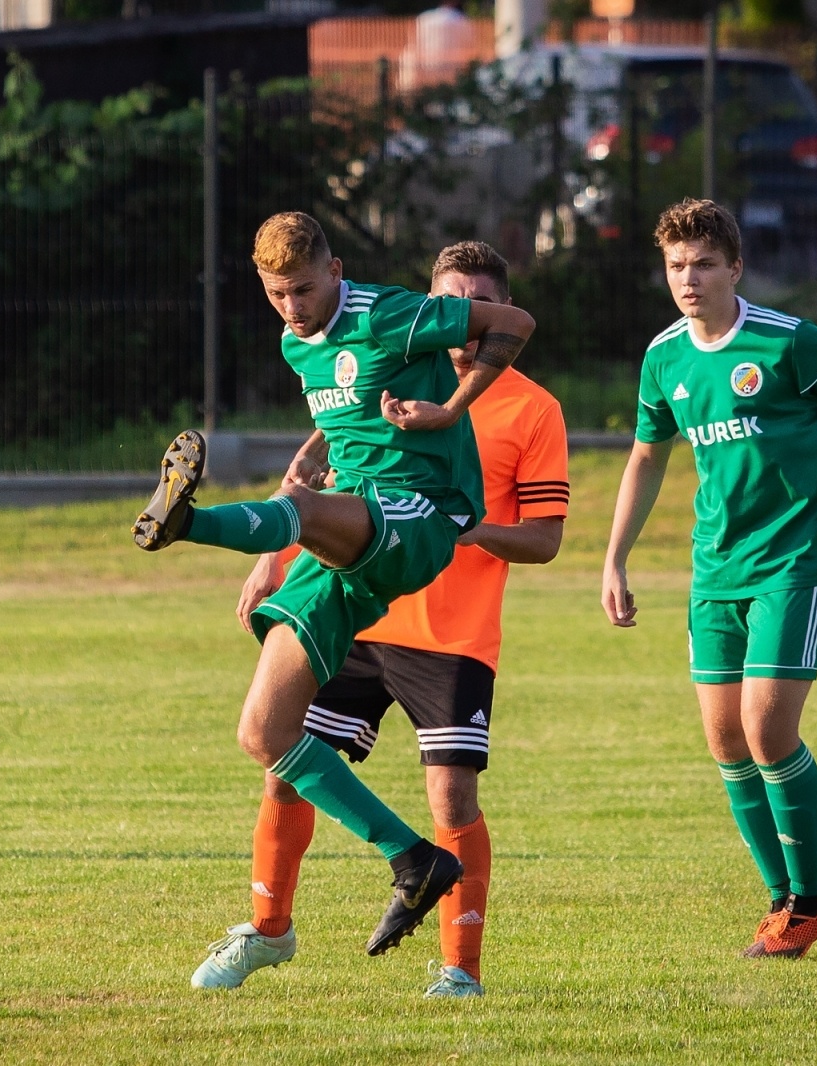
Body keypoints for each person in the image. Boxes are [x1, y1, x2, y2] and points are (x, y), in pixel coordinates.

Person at [132, 213, 536, 957]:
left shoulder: (386, 312)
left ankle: (186, 525)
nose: (293, 307)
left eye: (305, 289)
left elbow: (513, 320)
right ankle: (412, 860)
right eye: (277, 294)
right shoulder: (297, 344)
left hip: (420, 514)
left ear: (337, 271)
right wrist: (314, 454)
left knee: (304, 512)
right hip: (352, 534)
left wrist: (451, 408)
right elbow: (343, 411)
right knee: (264, 733)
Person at [601, 199, 817, 959]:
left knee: (766, 728)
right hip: (715, 570)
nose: (688, 280)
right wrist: (615, 556)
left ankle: (813, 897)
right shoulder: (665, 358)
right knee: (726, 741)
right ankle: (782, 899)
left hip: (798, 562)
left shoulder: (787, 342)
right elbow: (646, 456)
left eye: (703, 265)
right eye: (675, 267)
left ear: (735, 268)